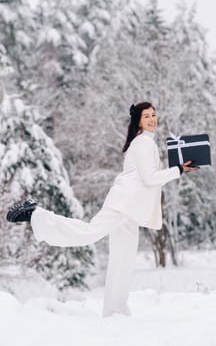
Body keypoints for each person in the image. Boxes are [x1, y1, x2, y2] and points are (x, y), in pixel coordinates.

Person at [6, 101, 198, 317]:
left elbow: (147, 178)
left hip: (130, 209)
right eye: (147, 116)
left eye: (154, 114)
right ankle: (36, 214)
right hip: (123, 205)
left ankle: (116, 311)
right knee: (89, 233)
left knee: (122, 260)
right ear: (138, 121)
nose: (153, 119)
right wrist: (179, 169)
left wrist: (179, 168)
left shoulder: (144, 143)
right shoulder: (144, 143)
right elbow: (150, 178)